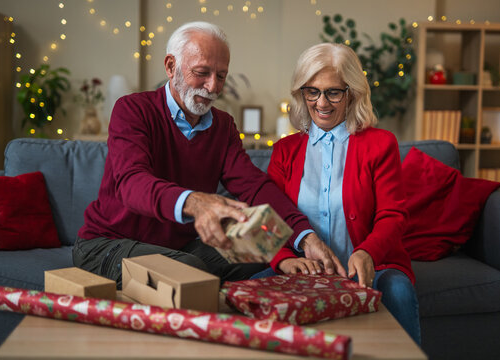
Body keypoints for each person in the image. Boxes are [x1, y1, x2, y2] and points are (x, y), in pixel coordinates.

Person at [73, 21, 346, 289]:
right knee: (189, 270)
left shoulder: (223, 125)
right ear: (171, 66)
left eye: (221, 75)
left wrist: (305, 236)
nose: (213, 86)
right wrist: (196, 203)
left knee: (268, 245)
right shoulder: (133, 110)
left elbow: (254, 186)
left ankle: (197, 284)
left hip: (180, 248)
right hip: (107, 244)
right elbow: (132, 184)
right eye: (202, 72)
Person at [252, 43, 421, 344]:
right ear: (301, 93)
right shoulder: (284, 152)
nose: (321, 103)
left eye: (333, 92)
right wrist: (283, 260)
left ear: (351, 92)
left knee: (397, 289)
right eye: (312, 91)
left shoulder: (380, 144)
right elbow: (267, 221)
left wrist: (368, 251)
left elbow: (392, 214)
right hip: (303, 275)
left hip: (373, 268)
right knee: (250, 288)